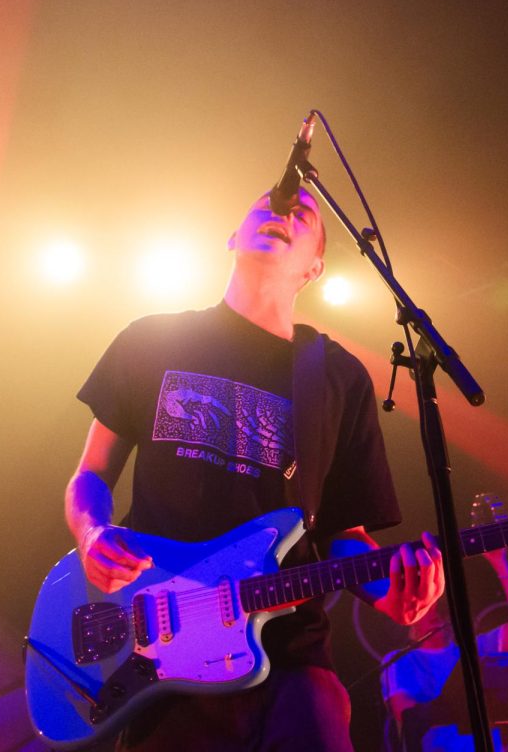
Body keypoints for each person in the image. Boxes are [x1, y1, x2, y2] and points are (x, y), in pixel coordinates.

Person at [63, 186, 446, 751]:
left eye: (302, 213)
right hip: (163, 648)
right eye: (267, 203)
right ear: (231, 237)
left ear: (314, 267)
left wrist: (393, 591)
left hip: (290, 656)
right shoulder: (151, 340)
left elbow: (339, 536)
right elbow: (90, 475)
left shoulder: (337, 378)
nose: (282, 212)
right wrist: (92, 534)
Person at [379, 547, 508, 751]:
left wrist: (500, 563)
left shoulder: (476, 649)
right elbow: (406, 713)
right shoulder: (400, 661)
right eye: (428, 605)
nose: (436, 611)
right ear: (413, 616)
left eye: (440, 605)